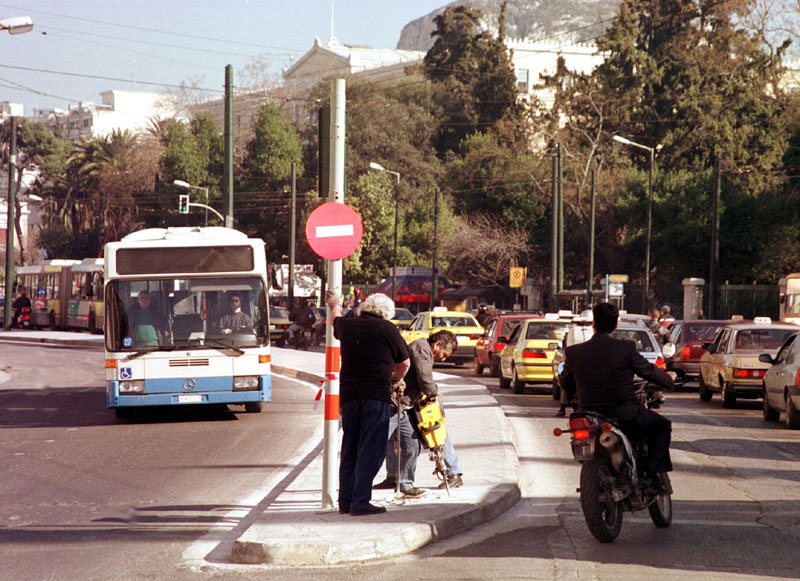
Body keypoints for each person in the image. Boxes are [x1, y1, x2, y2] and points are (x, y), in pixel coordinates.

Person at [561, 302, 675, 490]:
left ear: (593, 324)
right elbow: (648, 371)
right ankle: (651, 477)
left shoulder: (574, 352)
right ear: (615, 325)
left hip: (590, 415)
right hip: (626, 415)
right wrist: (669, 380)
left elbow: (565, 383)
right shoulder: (626, 348)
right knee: (662, 426)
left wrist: (575, 396)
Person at [327, 289, 411, 516]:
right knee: (370, 450)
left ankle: (345, 501)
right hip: (376, 395)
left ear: (365, 308)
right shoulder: (387, 329)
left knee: (350, 448)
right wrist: (394, 378)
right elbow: (404, 363)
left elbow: (335, 319)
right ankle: (360, 502)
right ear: (387, 313)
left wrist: (334, 302)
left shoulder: (350, 325)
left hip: (349, 397)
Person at [373, 330, 461, 494]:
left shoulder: (422, 347)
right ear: (438, 344)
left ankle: (450, 472)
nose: (443, 359)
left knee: (415, 439)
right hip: (402, 401)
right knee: (390, 440)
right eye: (444, 354)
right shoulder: (422, 347)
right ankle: (392, 478)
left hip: (408, 401)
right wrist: (433, 392)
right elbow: (424, 376)